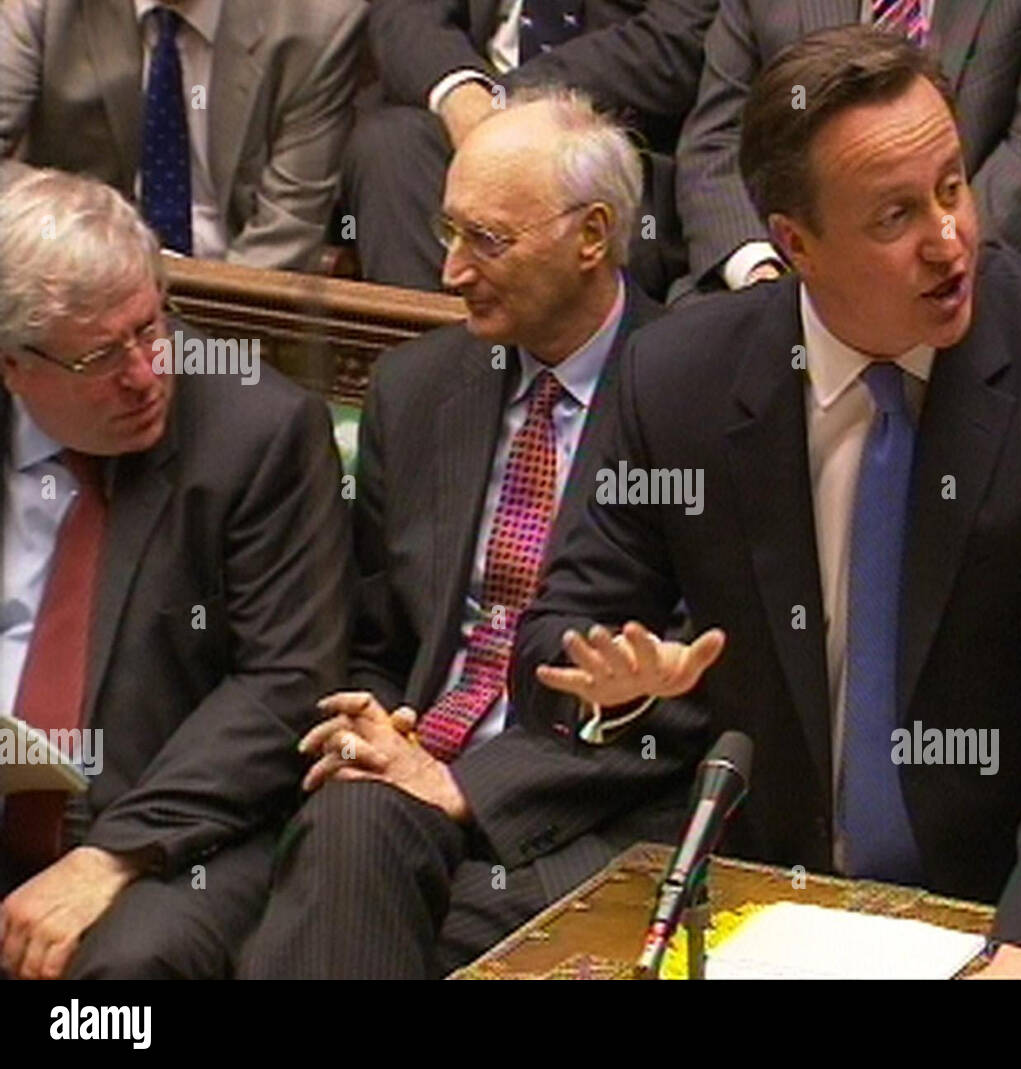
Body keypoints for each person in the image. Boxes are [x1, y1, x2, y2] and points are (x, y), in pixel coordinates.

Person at [513, 26, 1021, 978]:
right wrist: (611, 681)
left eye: (953, 186)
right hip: (788, 917)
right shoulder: (679, 376)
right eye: (895, 217)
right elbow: (561, 631)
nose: (950, 239)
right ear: (794, 243)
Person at [239, 91, 709, 980]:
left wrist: (469, 786)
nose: (451, 271)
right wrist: (374, 722)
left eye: (487, 241)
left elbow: (717, 672)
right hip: (413, 779)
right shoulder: (416, 388)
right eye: (448, 231)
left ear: (592, 236)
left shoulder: (701, 389)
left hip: (596, 808)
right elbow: (377, 638)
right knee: (349, 825)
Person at [0, 169, 349, 979]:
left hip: (173, 829)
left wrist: (114, 855)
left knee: (121, 979)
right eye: (99, 355)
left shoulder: (259, 431)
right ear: (15, 366)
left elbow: (288, 682)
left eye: (149, 328)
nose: (146, 375)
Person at [674, 0, 1021, 298]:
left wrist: (905, 263)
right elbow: (719, 140)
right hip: (776, 276)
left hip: (963, 281)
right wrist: (763, 275)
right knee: (670, 363)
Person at [341, 0, 718, 298]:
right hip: (465, 107)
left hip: (612, 135)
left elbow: (677, 37)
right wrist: (461, 91)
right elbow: (407, 12)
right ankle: (430, 376)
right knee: (389, 147)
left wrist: (507, 103)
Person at [0, 0, 367, 272]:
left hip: (237, 294)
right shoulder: (45, 6)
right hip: (76, 274)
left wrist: (192, 334)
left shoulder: (320, 20)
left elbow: (289, 226)